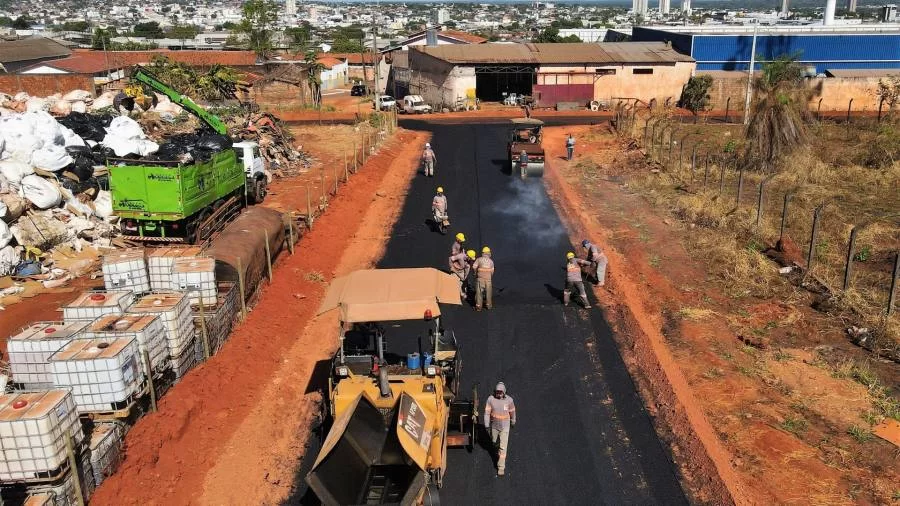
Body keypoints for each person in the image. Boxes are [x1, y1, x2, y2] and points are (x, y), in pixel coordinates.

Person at [484, 381, 516, 477]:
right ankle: (497, 446)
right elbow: (487, 413)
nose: (499, 393)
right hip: (494, 427)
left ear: (504, 392)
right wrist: (486, 424)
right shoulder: (490, 400)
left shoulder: (509, 401)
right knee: (494, 443)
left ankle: (501, 467)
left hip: (505, 427)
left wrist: (513, 421)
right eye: (497, 392)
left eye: (500, 392)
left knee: (503, 447)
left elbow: (512, 412)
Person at [473, 246, 495, 311]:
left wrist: (475, 273)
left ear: (483, 253)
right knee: (489, 293)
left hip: (480, 279)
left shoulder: (479, 259)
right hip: (488, 279)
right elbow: (492, 271)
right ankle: (489, 306)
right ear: (489, 253)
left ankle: (478, 307)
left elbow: (474, 267)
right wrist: (489, 277)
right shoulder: (491, 261)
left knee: (479, 293)